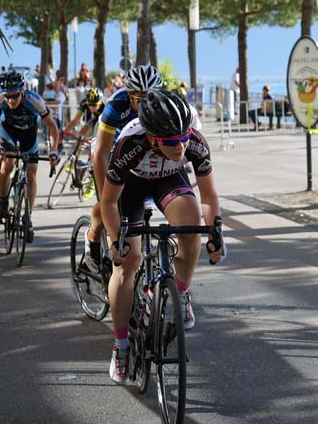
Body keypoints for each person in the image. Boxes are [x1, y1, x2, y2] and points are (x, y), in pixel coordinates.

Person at [101, 90, 226, 384]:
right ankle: (121, 345)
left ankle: (180, 291)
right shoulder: (129, 144)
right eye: (171, 141)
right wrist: (115, 238)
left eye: (184, 138)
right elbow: (108, 202)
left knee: (191, 226)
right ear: (152, 138)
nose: (180, 146)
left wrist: (215, 233)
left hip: (168, 180)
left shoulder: (194, 142)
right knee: (127, 263)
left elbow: (208, 196)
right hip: (130, 188)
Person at [82, 65, 163, 278]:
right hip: (109, 144)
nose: (146, 104)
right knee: (108, 199)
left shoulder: (164, 104)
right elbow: (101, 154)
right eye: (139, 99)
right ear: (129, 95)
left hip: (137, 146)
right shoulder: (116, 105)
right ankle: (93, 237)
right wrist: (105, 198)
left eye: (150, 97)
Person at [0, 71, 60, 242]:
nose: (10, 100)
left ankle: (28, 215)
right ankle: (4, 200)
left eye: (14, 96)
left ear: (22, 91)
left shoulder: (34, 100)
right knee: (7, 165)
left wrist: (53, 151)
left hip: (29, 135)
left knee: (31, 175)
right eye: (7, 96)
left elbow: (52, 126)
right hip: (8, 133)